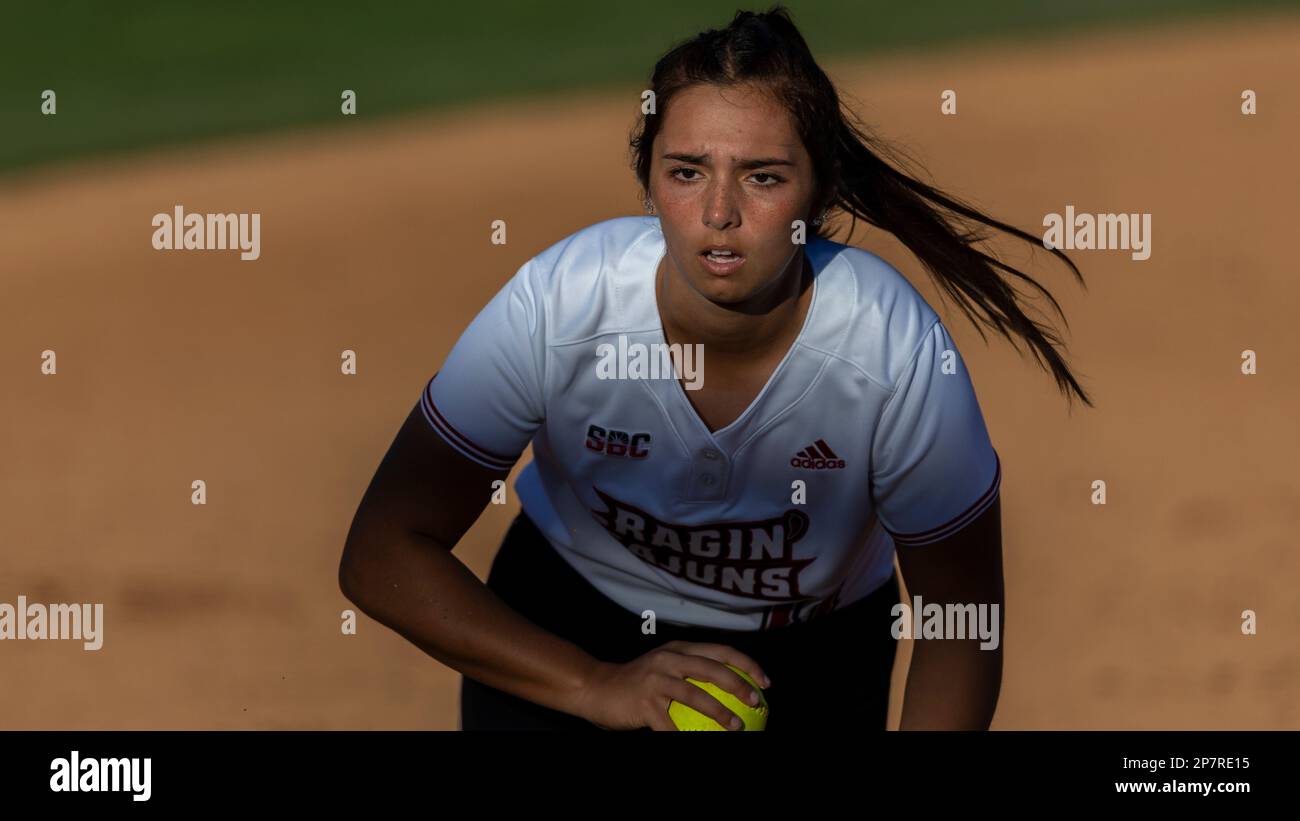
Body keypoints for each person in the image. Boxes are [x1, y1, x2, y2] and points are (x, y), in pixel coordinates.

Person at [340, 5, 1091, 732]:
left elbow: (962, 622)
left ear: (820, 190)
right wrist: (596, 683)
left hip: (815, 663)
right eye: (688, 172)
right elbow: (384, 548)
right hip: (566, 630)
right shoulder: (561, 305)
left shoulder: (891, 351)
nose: (720, 211)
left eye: (763, 177)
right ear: (646, 179)